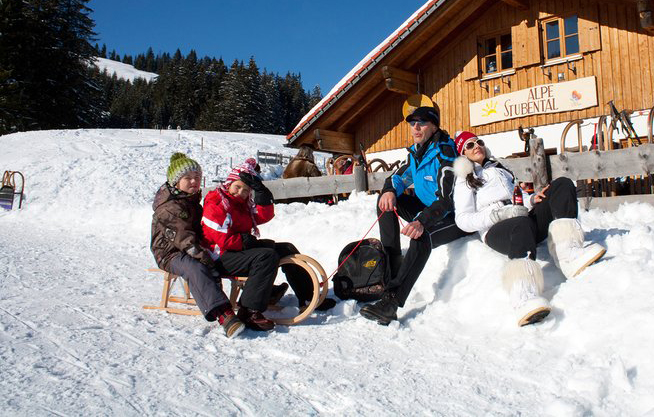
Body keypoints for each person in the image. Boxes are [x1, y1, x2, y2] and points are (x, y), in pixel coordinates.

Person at [451, 132, 606, 326]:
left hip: (522, 217)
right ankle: (523, 296)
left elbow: (517, 196)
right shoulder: (464, 179)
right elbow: (463, 220)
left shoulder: (499, 168)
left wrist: (531, 199)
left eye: (479, 142)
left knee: (562, 184)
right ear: (463, 154)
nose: (476, 146)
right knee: (521, 224)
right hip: (496, 229)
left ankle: (569, 253)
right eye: (469, 145)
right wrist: (496, 215)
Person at [359, 106, 468, 325]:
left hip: (453, 216)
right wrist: (389, 190)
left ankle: (391, 302)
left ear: (434, 126)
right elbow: (399, 177)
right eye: (412, 123)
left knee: (422, 235)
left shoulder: (445, 154)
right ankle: (391, 270)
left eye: (422, 122)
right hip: (429, 207)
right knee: (386, 204)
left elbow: (447, 200)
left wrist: (421, 221)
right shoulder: (417, 152)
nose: (415, 127)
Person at [202, 159, 334, 331]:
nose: (241, 193)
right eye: (237, 187)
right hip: (219, 257)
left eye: (246, 190)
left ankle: (308, 296)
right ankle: (249, 311)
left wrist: (262, 194)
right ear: (229, 183)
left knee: (286, 248)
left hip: (236, 249)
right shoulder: (217, 202)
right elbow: (221, 239)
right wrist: (244, 241)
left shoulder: (243, 205)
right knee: (266, 256)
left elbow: (263, 217)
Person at [150, 153, 244, 338]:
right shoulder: (170, 208)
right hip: (169, 253)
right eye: (188, 178)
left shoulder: (191, 201)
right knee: (195, 267)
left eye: (197, 178)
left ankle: (254, 294)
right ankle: (223, 314)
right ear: (176, 181)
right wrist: (206, 257)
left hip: (189, 247)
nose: (194, 181)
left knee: (221, 256)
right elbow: (185, 240)